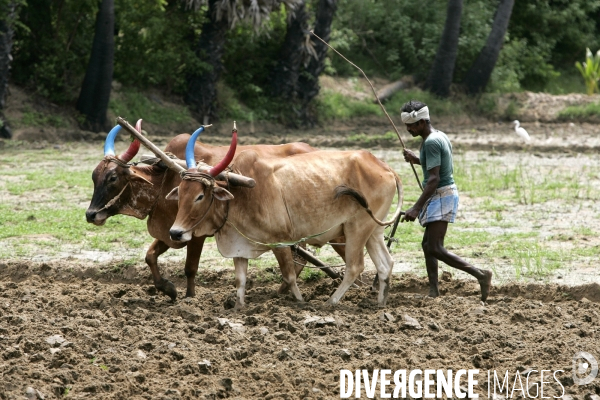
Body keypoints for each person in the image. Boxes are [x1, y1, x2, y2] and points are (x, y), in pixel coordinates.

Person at [399, 100, 492, 301]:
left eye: (411, 125)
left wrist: (416, 207)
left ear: (422, 122)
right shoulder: (437, 136)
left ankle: (481, 275)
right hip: (441, 194)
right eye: (406, 125)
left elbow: (434, 179)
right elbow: (437, 165)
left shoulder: (431, 142)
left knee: (435, 247)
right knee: (428, 245)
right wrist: (417, 159)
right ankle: (433, 291)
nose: (408, 129)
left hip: (441, 195)